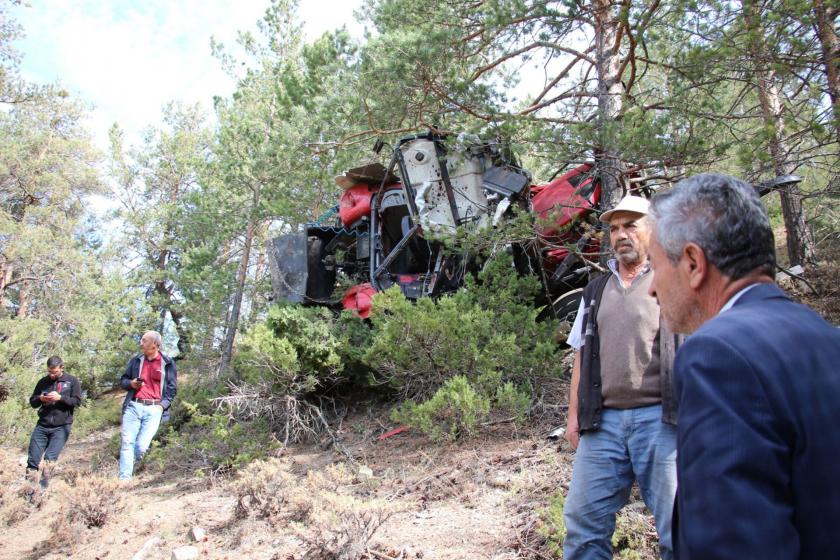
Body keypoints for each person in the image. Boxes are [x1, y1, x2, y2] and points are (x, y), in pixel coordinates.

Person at [647, 173, 840, 559]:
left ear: (692, 263)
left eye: (655, 266)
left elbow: (731, 544)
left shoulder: (716, 356)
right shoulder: (826, 336)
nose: (651, 287)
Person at [563, 195, 680, 560]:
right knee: (583, 524)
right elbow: (582, 353)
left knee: (681, 527)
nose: (620, 235)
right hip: (603, 424)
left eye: (631, 225)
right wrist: (573, 417)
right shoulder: (595, 290)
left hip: (662, 421)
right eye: (614, 228)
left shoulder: (673, 281)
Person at [118, 330, 177, 481]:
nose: (141, 343)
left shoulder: (168, 363)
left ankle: (138, 471)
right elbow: (123, 381)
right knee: (127, 442)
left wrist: (162, 406)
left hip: (154, 409)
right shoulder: (136, 360)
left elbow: (172, 388)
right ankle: (124, 478)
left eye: (144, 341)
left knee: (141, 447)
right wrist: (131, 383)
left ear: (155, 345)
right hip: (133, 406)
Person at [26, 355, 82, 488]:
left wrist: (60, 398)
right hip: (42, 425)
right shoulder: (42, 382)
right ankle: (28, 490)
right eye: (49, 372)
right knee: (33, 459)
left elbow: (77, 401)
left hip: (61, 427)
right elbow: (33, 402)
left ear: (61, 368)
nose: (51, 375)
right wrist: (40, 398)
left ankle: (42, 490)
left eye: (54, 372)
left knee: (49, 460)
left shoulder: (72, 381)